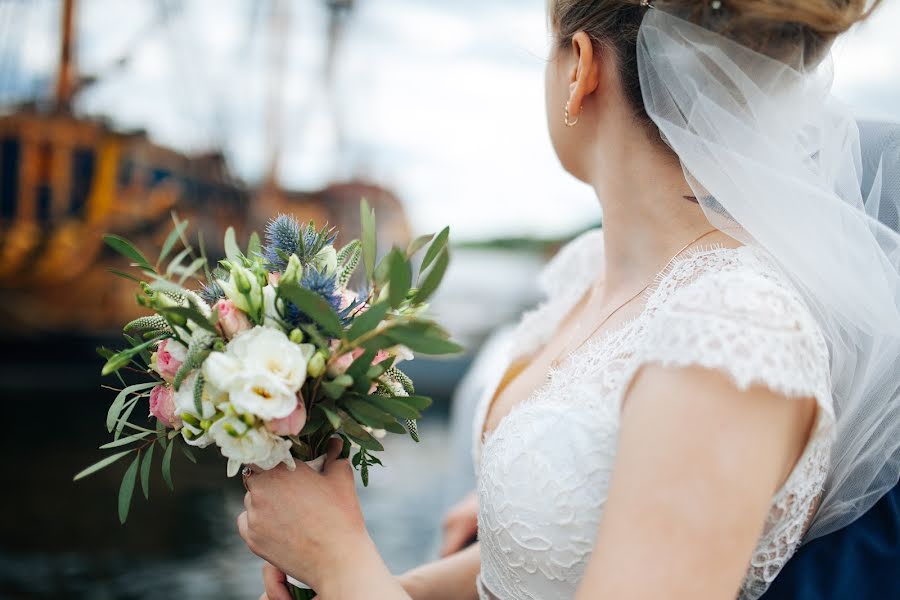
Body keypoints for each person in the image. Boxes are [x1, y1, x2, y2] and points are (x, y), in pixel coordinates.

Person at [237, 1, 900, 599]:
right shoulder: (589, 279)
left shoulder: (734, 334)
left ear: (580, 67)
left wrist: (340, 560)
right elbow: (560, 550)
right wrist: (401, 589)